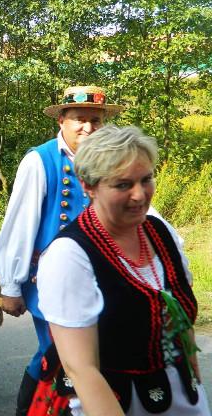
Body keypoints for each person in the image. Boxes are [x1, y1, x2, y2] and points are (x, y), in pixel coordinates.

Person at [36, 125, 209, 415]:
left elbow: (180, 312)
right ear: (88, 186)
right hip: (111, 400)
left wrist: (192, 371)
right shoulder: (68, 255)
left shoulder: (159, 232)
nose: (140, 195)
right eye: (122, 185)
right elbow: (81, 369)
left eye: (146, 179)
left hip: (178, 394)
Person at [0, 85, 124, 415]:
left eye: (96, 120)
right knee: (61, 355)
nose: (88, 128)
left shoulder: (111, 161)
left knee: (82, 356)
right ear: (62, 120)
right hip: (51, 285)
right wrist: (11, 285)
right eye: (80, 119)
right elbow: (20, 225)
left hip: (102, 281)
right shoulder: (40, 161)